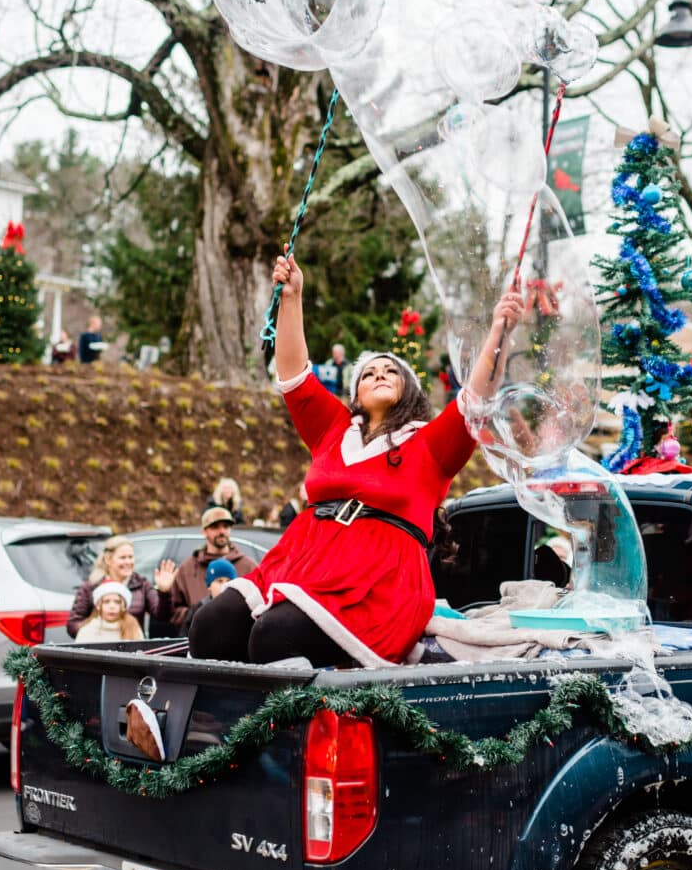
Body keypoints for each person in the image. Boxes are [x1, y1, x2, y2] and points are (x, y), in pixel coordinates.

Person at [189, 248, 523, 667]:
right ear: (355, 393)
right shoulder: (333, 429)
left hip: (380, 581)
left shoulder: (430, 443)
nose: (379, 373)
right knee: (209, 628)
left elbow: (476, 399)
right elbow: (293, 374)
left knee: (274, 636)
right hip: (303, 560)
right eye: (368, 372)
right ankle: (216, 728)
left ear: (410, 390)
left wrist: (500, 335)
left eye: (390, 370)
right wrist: (291, 298)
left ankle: (294, 732)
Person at [165, 508, 257, 632]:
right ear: (204, 531)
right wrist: (196, 616)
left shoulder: (249, 566)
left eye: (226, 526)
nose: (222, 531)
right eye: (215, 527)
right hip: (198, 642)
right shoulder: (187, 568)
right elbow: (174, 611)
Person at [67, 535, 176, 637]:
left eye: (130, 557)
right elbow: (73, 626)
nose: (128, 562)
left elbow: (163, 616)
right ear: (108, 559)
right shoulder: (91, 587)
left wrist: (164, 592)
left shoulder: (141, 584)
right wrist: (101, 626)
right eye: (122, 558)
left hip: (132, 648)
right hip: (100, 650)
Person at [181, 557, 239, 638]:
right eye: (219, 581)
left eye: (229, 581)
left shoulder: (241, 610)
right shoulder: (197, 612)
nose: (225, 585)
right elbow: (185, 640)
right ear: (209, 586)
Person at [74, 582, 144, 644]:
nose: (112, 606)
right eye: (106, 601)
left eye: (117, 602)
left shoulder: (132, 627)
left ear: (124, 606)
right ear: (98, 605)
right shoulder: (87, 630)